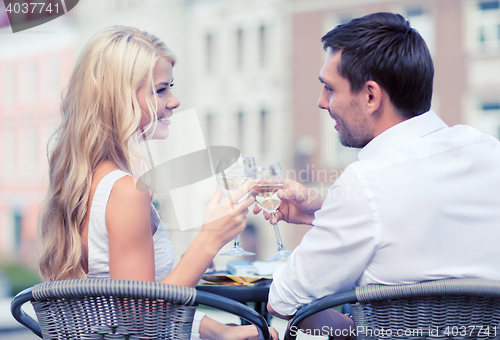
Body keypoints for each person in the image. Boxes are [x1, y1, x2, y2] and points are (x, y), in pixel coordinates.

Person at [254, 12, 500, 338]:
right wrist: (325, 212)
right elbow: (415, 215)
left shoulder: (366, 182)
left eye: (329, 88)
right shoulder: (489, 151)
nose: (321, 102)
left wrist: (356, 332)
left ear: (371, 95)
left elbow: (283, 301)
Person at [38, 25, 277, 340]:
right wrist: (210, 239)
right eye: (161, 89)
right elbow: (141, 318)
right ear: (120, 98)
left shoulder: (85, 179)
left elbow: (115, 308)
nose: (175, 101)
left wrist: (217, 330)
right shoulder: (125, 192)